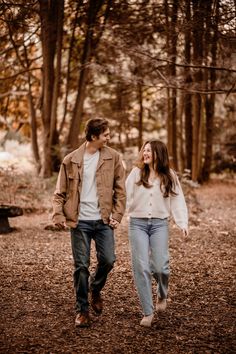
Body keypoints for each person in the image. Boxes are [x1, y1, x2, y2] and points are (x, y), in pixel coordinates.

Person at [52, 118, 126, 327]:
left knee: (109, 260)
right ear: (94, 137)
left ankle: (95, 287)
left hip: (103, 220)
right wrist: (58, 214)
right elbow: (60, 192)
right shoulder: (71, 160)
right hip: (79, 221)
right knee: (81, 266)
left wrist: (117, 215)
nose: (109, 138)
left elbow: (120, 191)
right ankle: (82, 310)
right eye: (106, 135)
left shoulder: (114, 157)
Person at [125, 140, 188, 328]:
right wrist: (116, 216)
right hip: (137, 224)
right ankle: (148, 311)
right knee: (141, 266)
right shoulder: (136, 173)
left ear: (158, 154)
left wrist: (182, 222)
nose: (145, 154)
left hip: (160, 224)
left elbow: (178, 200)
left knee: (161, 267)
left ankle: (162, 292)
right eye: (144, 150)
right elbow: (125, 197)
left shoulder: (169, 176)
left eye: (149, 151)